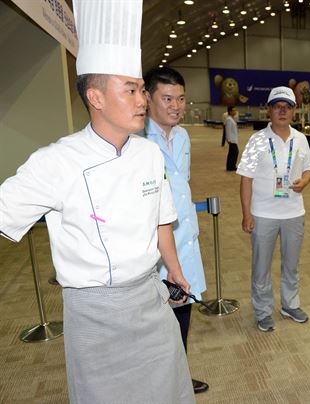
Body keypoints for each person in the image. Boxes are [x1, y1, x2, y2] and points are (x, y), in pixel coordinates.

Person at [0, 1, 195, 403]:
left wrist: (174, 271)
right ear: (96, 97)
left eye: (141, 89)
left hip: (150, 301)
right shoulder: (56, 161)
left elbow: (161, 218)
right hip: (94, 313)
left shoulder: (148, 154)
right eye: (131, 89)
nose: (143, 99)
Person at [142, 66, 209, 395]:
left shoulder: (182, 136)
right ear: (148, 98)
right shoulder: (138, 140)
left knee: (183, 312)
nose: (176, 105)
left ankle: (179, 377)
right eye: (167, 98)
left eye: (181, 98)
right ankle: (157, 387)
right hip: (154, 249)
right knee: (155, 323)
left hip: (185, 240)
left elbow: (181, 187)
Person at [237, 86, 310, 332]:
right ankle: (262, 310)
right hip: (263, 214)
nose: (282, 111)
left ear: (294, 111)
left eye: (288, 107)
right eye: (277, 106)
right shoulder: (257, 140)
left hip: (294, 213)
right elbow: (246, 178)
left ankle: (290, 304)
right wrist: (247, 214)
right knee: (261, 266)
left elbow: (309, 168)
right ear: (269, 110)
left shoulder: (300, 139)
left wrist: (305, 180)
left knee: (291, 264)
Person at [225, 106, 239, 171]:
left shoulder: (231, 119)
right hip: (232, 139)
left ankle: (231, 166)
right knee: (234, 152)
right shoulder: (229, 119)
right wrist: (228, 139)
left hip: (233, 139)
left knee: (232, 153)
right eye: (233, 110)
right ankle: (231, 166)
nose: (235, 112)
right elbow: (227, 130)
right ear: (230, 112)